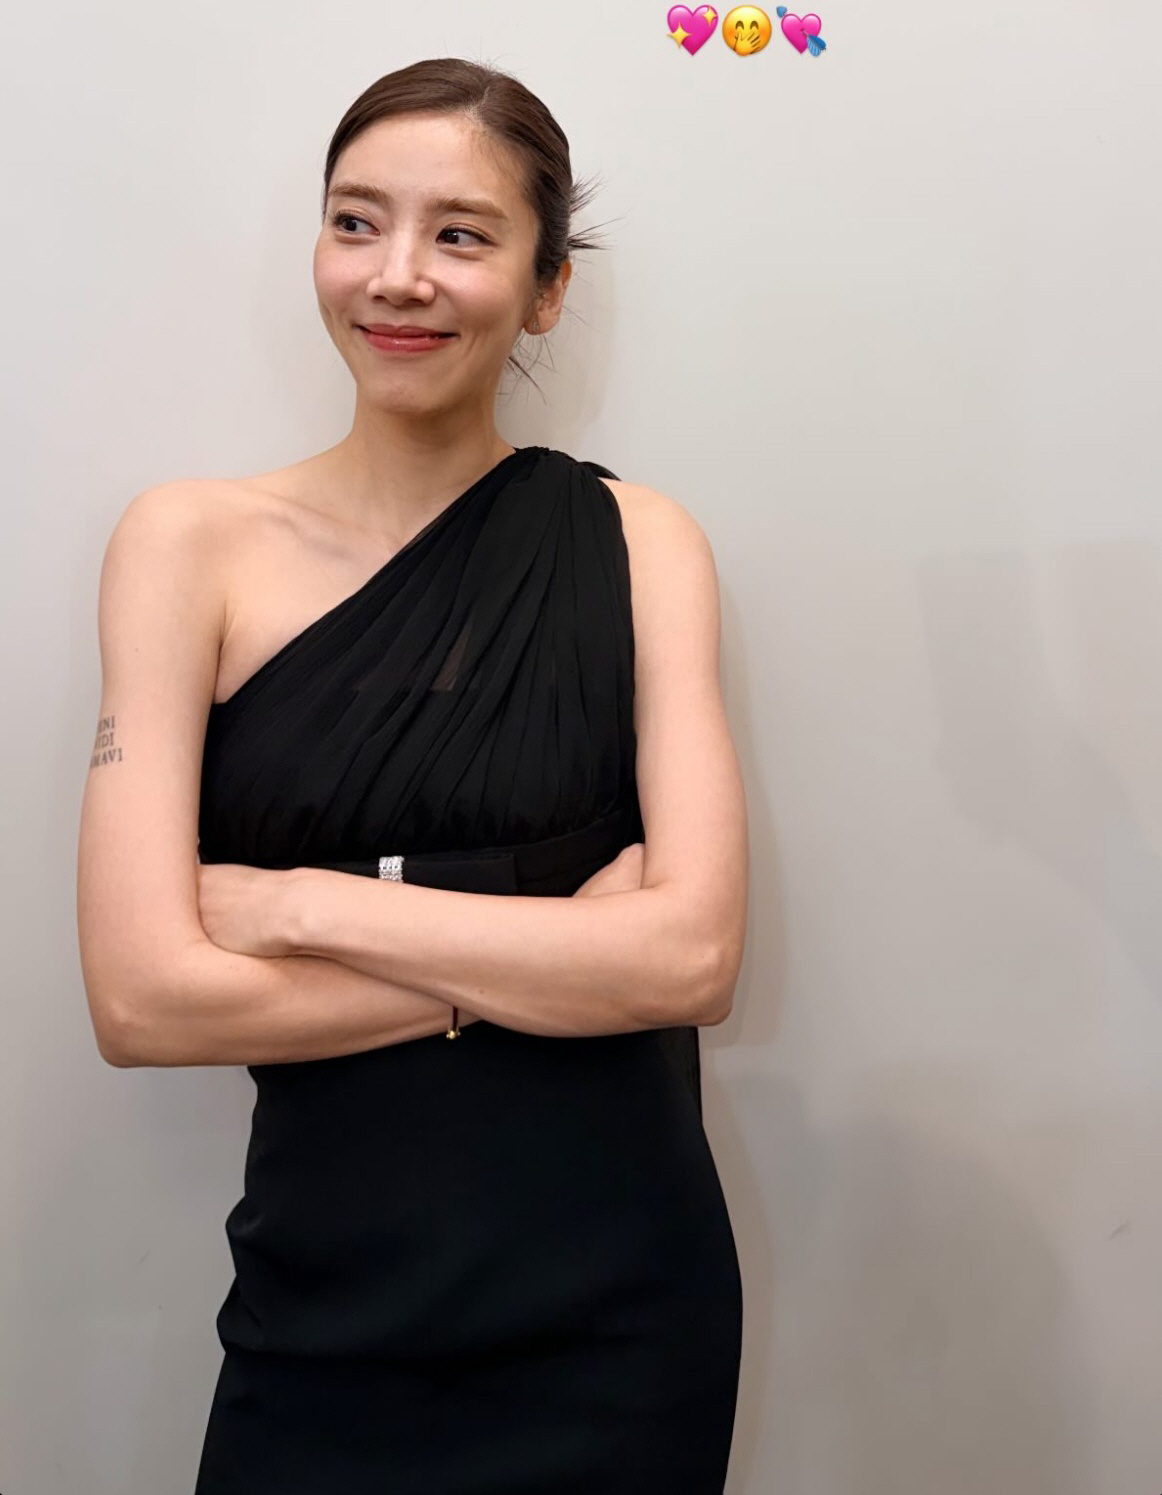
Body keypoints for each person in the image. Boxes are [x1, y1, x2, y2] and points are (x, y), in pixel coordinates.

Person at [76, 55, 749, 1494]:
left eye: (460, 233)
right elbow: (141, 1002)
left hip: (619, 1318)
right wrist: (556, 946)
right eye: (355, 221)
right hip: (318, 1312)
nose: (396, 276)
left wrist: (298, 907)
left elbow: (690, 959)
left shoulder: (641, 543)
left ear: (547, 288)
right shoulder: (186, 544)